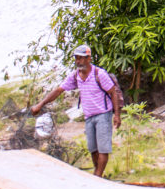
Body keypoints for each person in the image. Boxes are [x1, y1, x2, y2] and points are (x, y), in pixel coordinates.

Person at [31, 44, 121, 177]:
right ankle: (98, 176)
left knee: (103, 149)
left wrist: (117, 115)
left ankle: (97, 177)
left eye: (82, 58)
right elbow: (58, 90)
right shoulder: (75, 76)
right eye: (77, 58)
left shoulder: (99, 74)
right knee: (93, 149)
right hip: (89, 116)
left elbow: (113, 93)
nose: (79, 61)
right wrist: (40, 104)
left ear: (89, 59)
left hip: (103, 114)